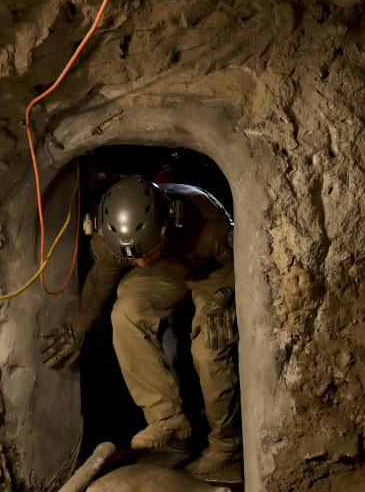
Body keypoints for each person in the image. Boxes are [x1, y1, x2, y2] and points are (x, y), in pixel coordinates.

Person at [40, 177, 240, 475]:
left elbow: (247, 259)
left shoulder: (209, 225)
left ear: (167, 224)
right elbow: (101, 280)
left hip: (214, 271)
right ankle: (166, 417)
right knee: (125, 312)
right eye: (133, 258)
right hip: (167, 269)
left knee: (209, 345)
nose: (140, 263)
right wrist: (80, 324)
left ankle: (226, 446)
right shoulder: (109, 237)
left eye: (145, 253)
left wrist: (224, 297)